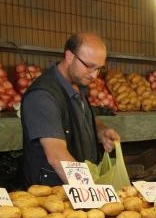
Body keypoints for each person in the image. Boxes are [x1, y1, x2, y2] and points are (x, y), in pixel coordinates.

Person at [20, 32, 120, 186]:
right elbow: (57, 156)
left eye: (99, 68)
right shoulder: (43, 96)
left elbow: (81, 116)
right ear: (69, 56)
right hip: (55, 191)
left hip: (78, 187)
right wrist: (89, 192)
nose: (94, 75)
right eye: (89, 66)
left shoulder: (78, 85)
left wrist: (100, 130)